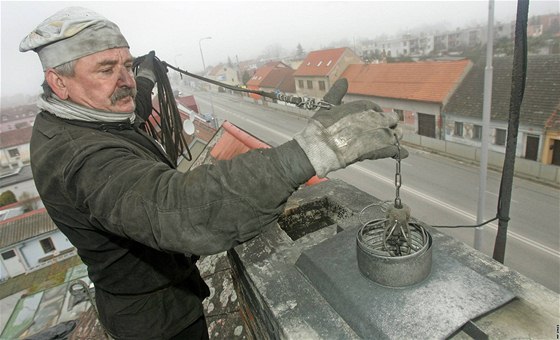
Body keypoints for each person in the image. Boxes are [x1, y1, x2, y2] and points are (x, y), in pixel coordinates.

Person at [20, 7, 406, 340]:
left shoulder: (87, 111)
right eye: (106, 69)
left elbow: (129, 97)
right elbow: (181, 209)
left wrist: (148, 74)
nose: (123, 80)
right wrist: (310, 152)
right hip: (156, 323)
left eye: (127, 64)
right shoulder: (81, 160)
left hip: (164, 296)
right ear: (59, 82)